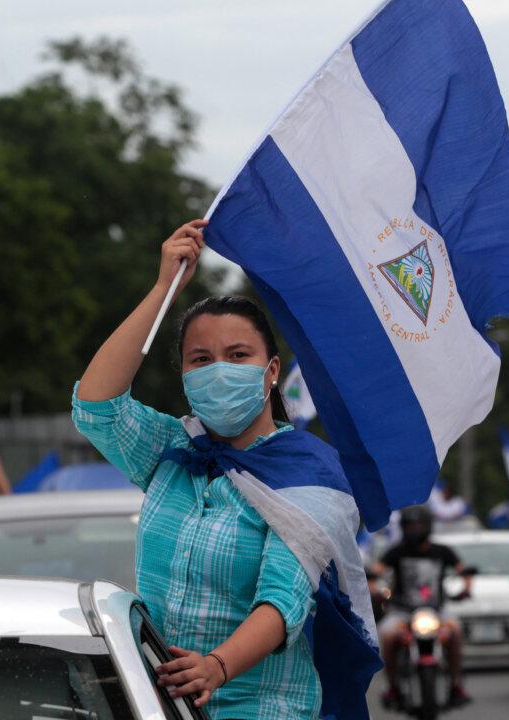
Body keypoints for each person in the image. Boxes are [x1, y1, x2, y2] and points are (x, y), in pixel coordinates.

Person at [71, 219, 330, 719]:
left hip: (262, 707)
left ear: (271, 371)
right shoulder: (172, 449)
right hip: (160, 704)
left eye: (238, 355)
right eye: (201, 359)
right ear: (185, 375)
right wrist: (162, 288)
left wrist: (217, 666)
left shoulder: (304, 473)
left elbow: (284, 599)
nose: (219, 370)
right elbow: (96, 405)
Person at [371, 504, 473, 708]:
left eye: (418, 526)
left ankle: (456, 684)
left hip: (437, 611)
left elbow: (464, 572)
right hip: (402, 612)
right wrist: (375, 590)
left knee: (455, 631)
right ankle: (392, 686)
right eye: (410, 526)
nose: (414, 530)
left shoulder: (442, 551)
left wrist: (465, 589)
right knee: (388, 636)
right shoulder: (396, 552)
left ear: (428, 526)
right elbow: (375, 573)